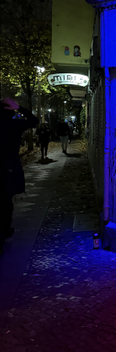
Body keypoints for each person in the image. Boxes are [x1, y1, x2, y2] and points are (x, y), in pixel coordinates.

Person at [0, 98, 39, 254]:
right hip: (7, 170)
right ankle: (3, 233)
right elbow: (34, 120)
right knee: (5, 203)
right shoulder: (13, 125)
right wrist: (19, 108)